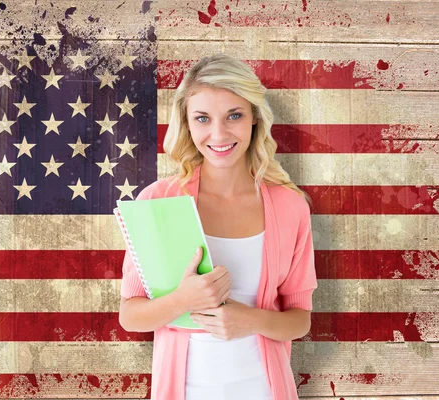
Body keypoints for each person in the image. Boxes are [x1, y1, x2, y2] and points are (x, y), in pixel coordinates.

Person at [118, 53, 318, 400]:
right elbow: (131, 316)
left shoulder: (290, 207)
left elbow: (300, 319)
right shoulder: (157, 201)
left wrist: (251, 320)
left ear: (255, 117)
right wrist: (184, 299)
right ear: (187, 122)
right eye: (203, 118)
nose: (218, 133)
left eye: (234, 115)